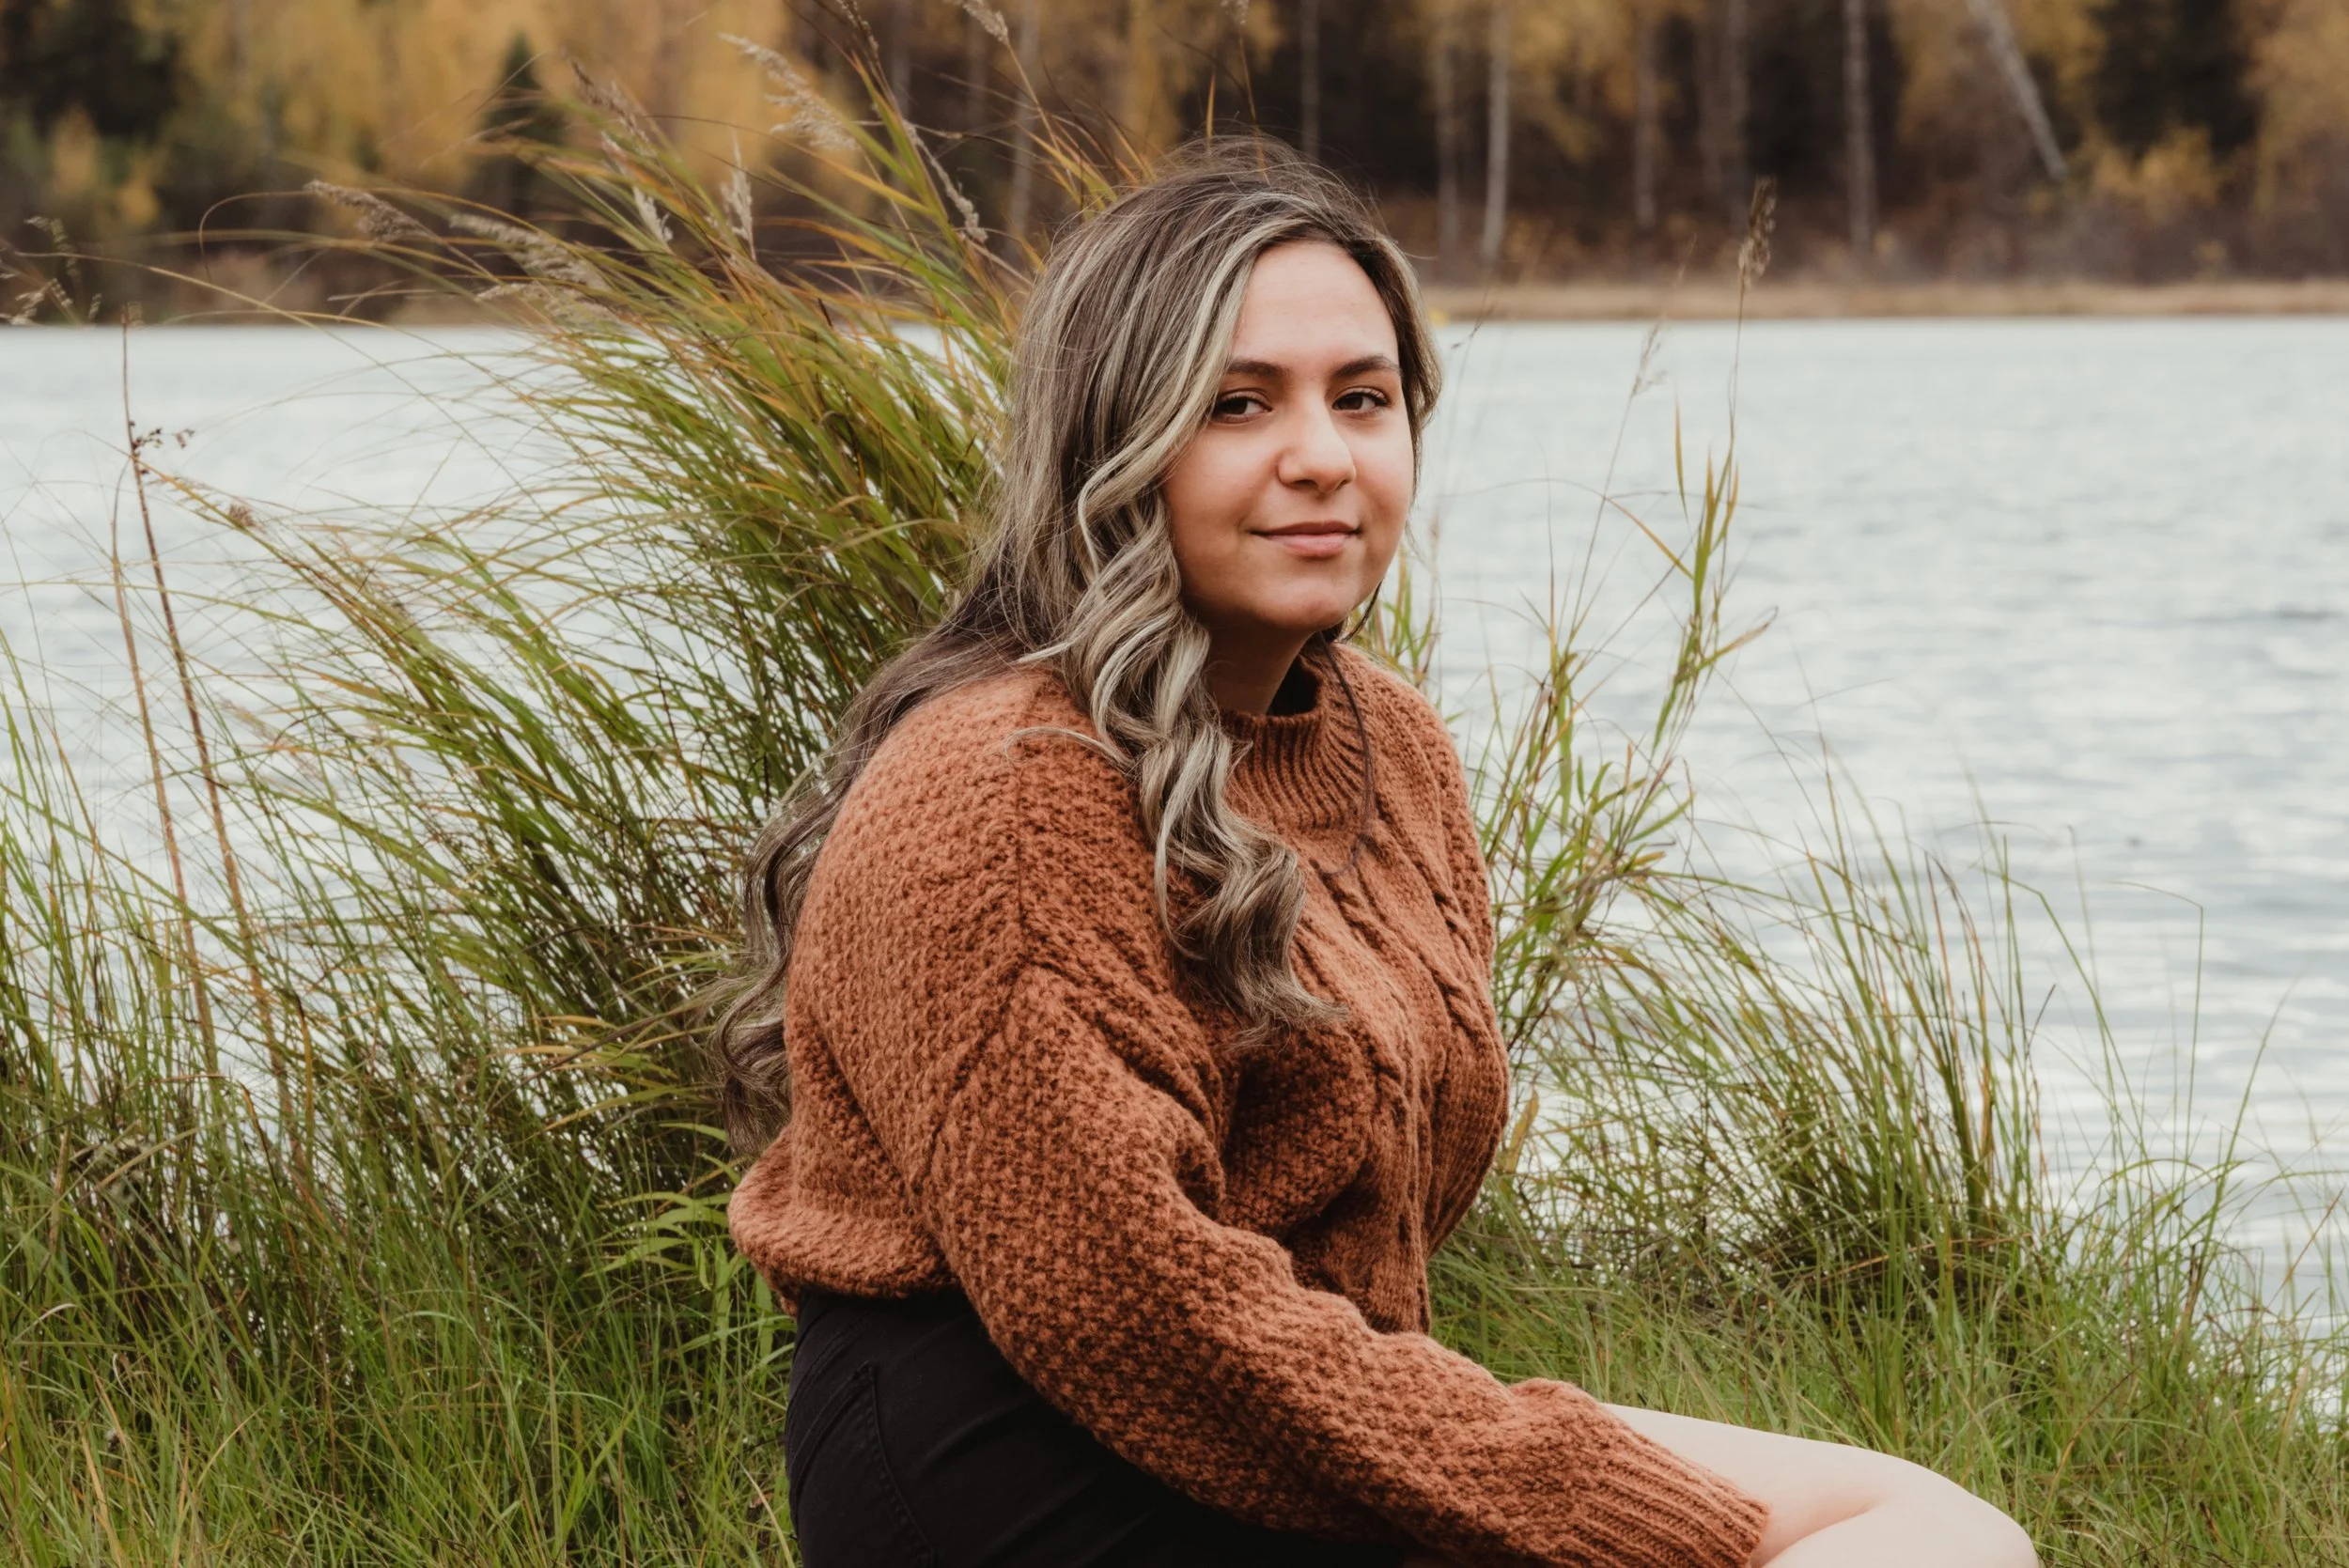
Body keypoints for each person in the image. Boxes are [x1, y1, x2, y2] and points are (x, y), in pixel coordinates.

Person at [720, 143, 2038, 1568]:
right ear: (1119, 440)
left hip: (1296, 1404)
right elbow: (1120, 1298)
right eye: (1237, 404)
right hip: (1018, 1456)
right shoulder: (999, 786)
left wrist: (1462, 1451)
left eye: (1365, 399)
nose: (1323, 457)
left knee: (1936, 1532)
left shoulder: (1387, 742)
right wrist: (1550, 1491)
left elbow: (1369, 1243)